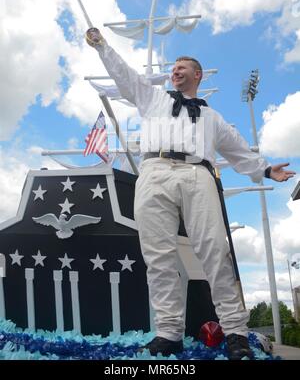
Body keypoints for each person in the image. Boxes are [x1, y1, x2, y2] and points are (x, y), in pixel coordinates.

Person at [85, 27, 295, 360]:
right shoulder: (152, 97)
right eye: (173, 69)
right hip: (154, 172)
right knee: (158, 256)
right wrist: (102, 46)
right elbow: (124, 75)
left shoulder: (212, 117)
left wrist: (266, 170)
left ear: (196, 74)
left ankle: (236, 332)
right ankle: (169, 333)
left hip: (198, 173)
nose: (175, 71)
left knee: (215, 251)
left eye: (182, 67)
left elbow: (239, 151)